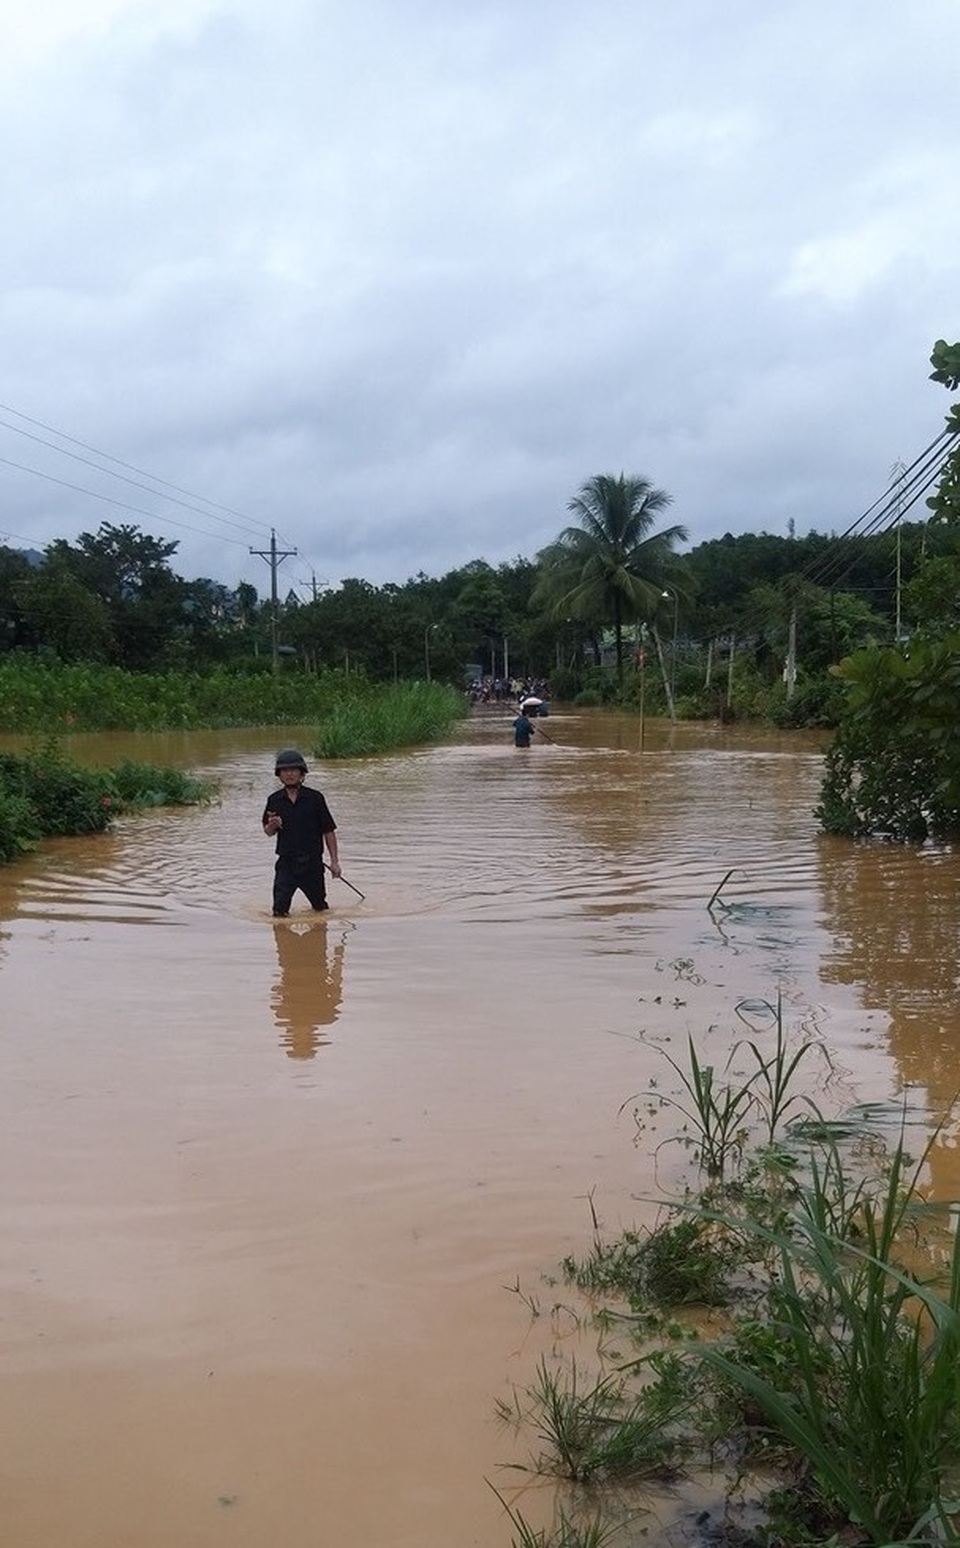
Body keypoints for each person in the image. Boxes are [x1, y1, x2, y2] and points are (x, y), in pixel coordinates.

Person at [262, 749, 341, 916]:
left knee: (320, 909)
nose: (289, 774)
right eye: (284, 770)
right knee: (279, 911)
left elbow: (329, 831)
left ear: (301, 772)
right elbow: (268, 832)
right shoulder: (274, 800)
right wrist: (272, 825)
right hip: (286, 864)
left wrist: (334, 862)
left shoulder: (315, 798)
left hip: (312, 864)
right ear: (279, 774)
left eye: (293, 770)